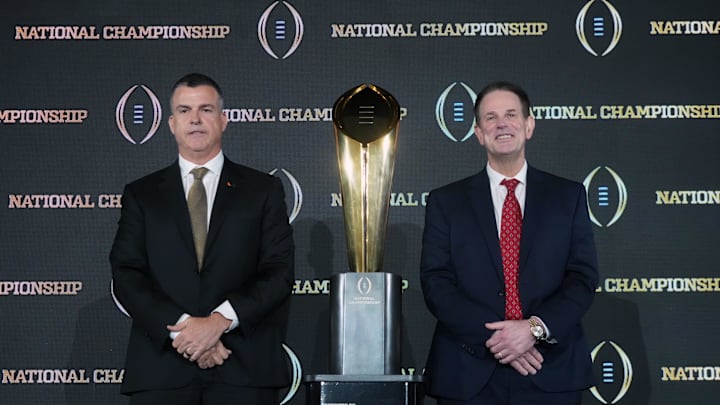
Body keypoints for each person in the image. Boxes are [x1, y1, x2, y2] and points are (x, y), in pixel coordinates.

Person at [110, 73, 295, 404]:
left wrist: (220, 321)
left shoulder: (263, 191)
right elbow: (126, 274)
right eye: (184, 111)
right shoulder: (142, 194)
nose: (194, 119)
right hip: (161, 370)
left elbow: (278, 271)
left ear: (223, 120)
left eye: (206, 109)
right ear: (170, 123)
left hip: (244, 368)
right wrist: (187, 329)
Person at [420, 81, 599, 405]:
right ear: (477, 133)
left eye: (511, 114)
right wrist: (502, 339)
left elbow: (582, 277)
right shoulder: (446, 202)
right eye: (490, 117)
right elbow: (436, 283)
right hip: (468, 370)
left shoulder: (568, 196)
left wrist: (532, 329)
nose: (501, 123)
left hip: (551, 369)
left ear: (529, 126)